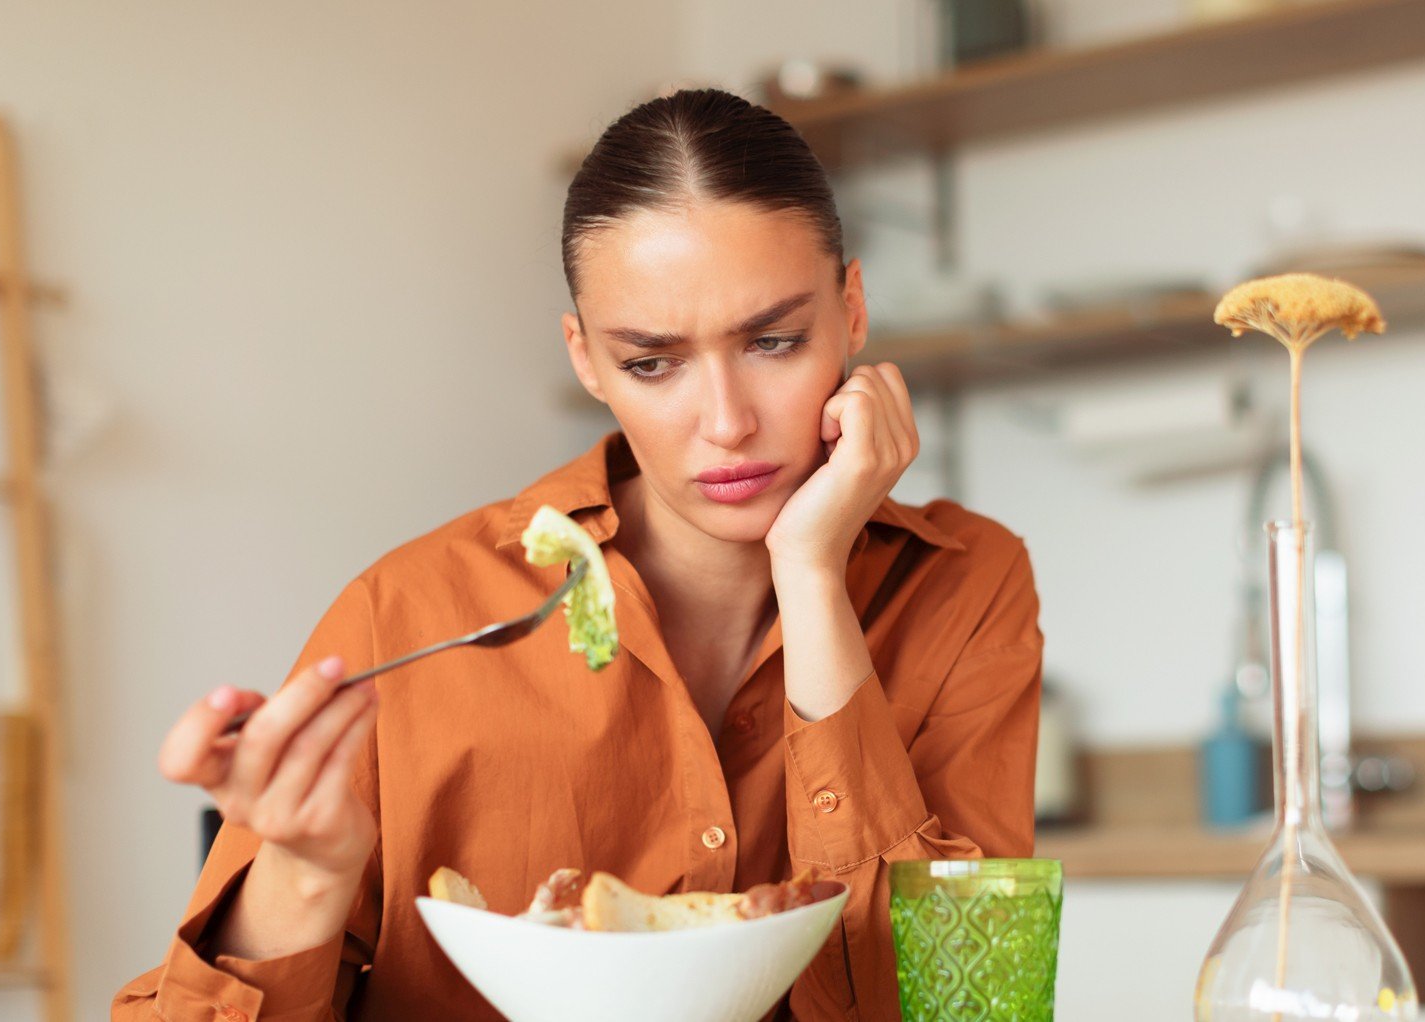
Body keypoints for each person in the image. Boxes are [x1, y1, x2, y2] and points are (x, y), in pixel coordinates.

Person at [114, 88, 1043, 1022]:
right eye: (651, 363)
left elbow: (963, 1009)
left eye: (774, 341)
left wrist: (810, 574)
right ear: (586, 360)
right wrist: (307, 876)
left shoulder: (965, 584)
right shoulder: (411, 612)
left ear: (851, 310)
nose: (726, 422)